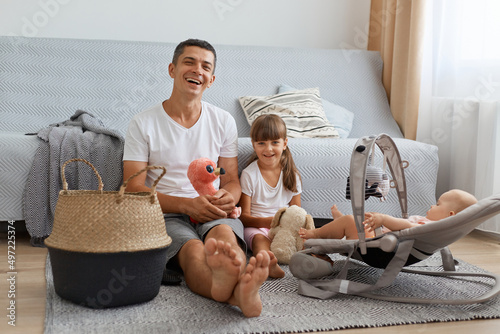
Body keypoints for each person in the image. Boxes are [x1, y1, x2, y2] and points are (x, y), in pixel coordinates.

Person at [122, 39, 269, 318]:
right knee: (192, 254)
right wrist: (187, 205)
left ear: (211, 80)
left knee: (225, 238)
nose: (197, 70)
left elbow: (232, 180)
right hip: (167, 213)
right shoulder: (143, 123)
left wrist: (231, 196)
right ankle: (238, 293)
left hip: (213, 208)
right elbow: (132, 188)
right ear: (172, 68)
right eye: (189, 62)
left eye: (205, 66)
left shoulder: (223, 120)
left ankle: (236, 287)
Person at [239, 114, 302, 278]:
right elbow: (244, 217)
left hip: (282, 226)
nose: (268, 149)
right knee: (260, 240)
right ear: (254, 145)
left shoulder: (292, 175)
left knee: (305, 240)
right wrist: (268, 222)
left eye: (275, 142)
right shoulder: (249, 174)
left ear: (284, 144)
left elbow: (297, 212)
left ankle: (315, 259)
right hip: (256, 226)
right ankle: (268, 261)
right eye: (261, 143)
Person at [299, 189, 478, 240]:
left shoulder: (431, 227)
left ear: (450, 214)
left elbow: (408, 227)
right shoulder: (431, 224)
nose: (432, 205)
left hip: (376, 247)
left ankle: (315, 233)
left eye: (438, 204)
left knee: (351, 221)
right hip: (379, 236)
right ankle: (341, 225)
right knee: (355, 221)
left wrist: (384, 219)